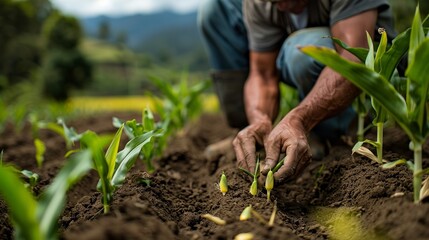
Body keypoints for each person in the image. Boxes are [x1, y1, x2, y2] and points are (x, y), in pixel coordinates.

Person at [197, 0, 397, 183]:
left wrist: (300, 119)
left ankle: (333, 134)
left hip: (371, 79)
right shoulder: (260, 2)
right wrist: (260, 119)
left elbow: (352, 58)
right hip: (306, 51)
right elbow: (262, 74)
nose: (279, 7)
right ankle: (251, 137)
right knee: (215, 9)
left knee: (302, 52)